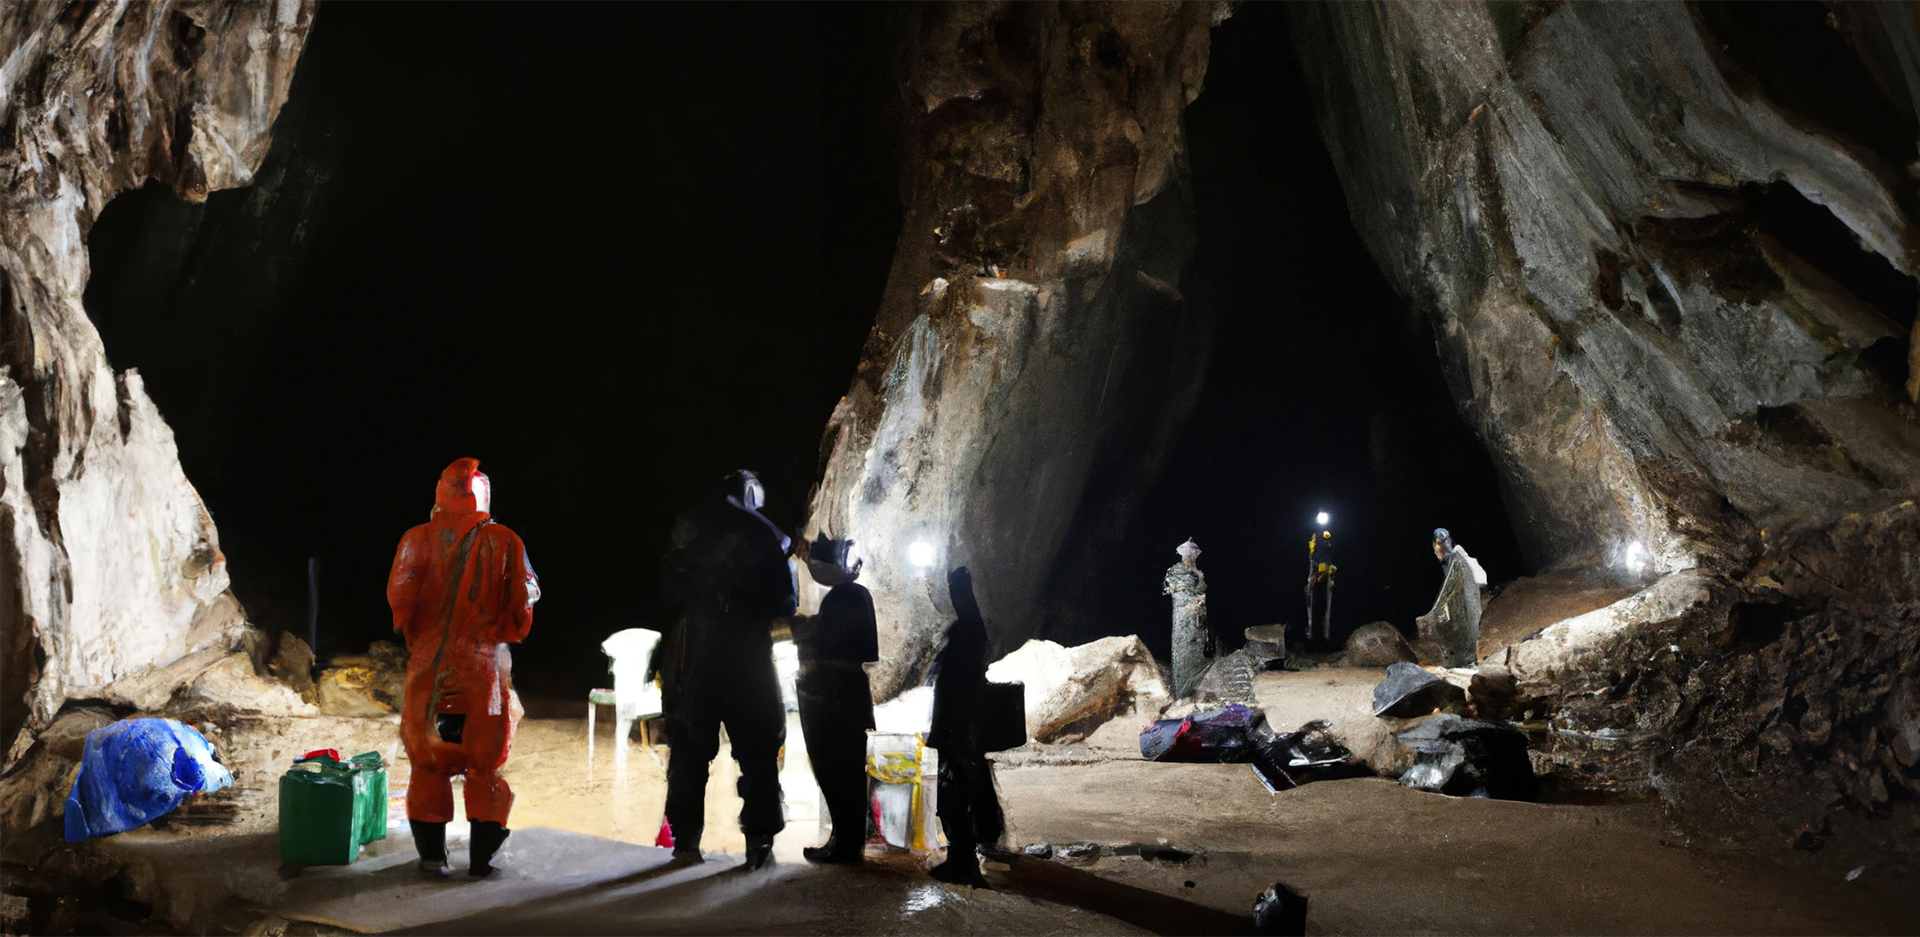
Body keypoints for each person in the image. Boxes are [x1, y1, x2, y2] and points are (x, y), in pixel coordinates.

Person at [387, 458, 539, 878]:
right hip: (482, 676)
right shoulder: (505, 541)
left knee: (427, 766)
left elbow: (399, 602)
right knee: (485, 768)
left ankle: (433, 859)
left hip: (428, 678)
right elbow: (521, 609)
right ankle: (481, 862)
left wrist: (421, 636)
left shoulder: (414, 539)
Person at [655, 470, 797, 870]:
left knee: (688, 748)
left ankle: (685, 843)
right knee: (757, 751)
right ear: (752, 495)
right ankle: (759, 841)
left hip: (694, 654)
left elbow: (667, 589)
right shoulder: (761, 532)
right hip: (746, 655)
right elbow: (785, 601)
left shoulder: (691, 529)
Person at [793, 534, 878, 864]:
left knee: (837, 772)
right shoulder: (857, 595)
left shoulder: (843, 598)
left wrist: (806, 633)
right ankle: (844, 841)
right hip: (851, 692)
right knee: (849, 775)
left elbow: (830, 644)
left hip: (834, 695)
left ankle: (845, 846)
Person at [926, 566, 1006, 887]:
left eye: (956, 591)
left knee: (954, 791)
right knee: (971, 786)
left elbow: (956, 684)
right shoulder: (972, 628)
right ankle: (980, 842)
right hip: (965, 726)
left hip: (957, 727)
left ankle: (962, 862)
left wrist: (949, 730)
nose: (955, 597)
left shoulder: (964, 631)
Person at [1416, 528, 1482, 668]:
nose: (1438, 548)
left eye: (1442, 544)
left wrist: (1434, 614)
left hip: (1467, 600)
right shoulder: (1447, 560)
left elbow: (1457, 588)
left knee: (1468, 623)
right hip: (1460, 599)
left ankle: (1469, 658)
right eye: (1436, 544)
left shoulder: (1457, 559)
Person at [1163, 539, 1211, 698]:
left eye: (1193, 553)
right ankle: (1182, 690)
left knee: (1197, 647)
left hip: (1198, 614)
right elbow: (1175, 590)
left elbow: (1201, 589)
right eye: (1188, 553)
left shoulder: (1198, 571)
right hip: (1183, 614)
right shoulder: (1176, 570)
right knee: (1183, 648)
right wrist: (1192, 600)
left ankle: (1194, 689)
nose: (1191, 556)